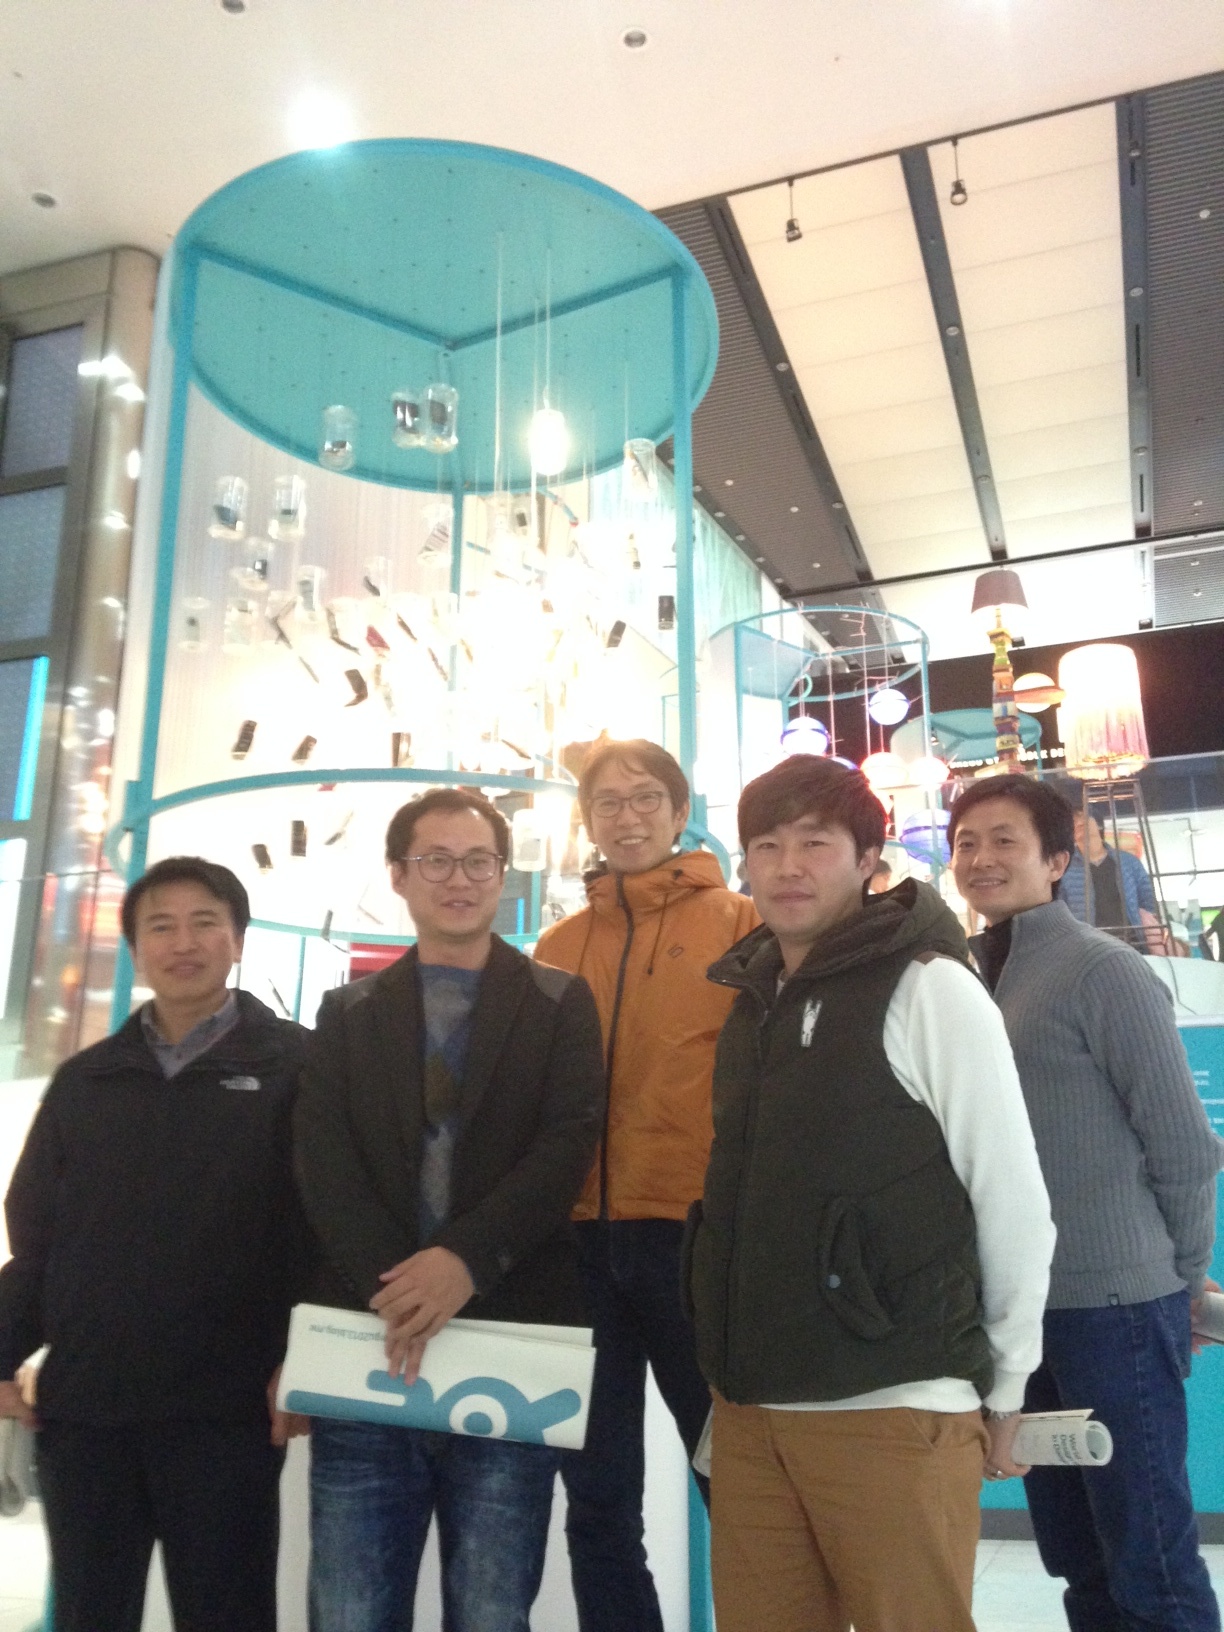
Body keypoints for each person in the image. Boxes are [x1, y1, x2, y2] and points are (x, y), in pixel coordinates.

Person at [685, 754, 1055, 1632]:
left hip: (893, 1406)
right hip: (751, 1411)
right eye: (766, 846)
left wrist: (1008, 1385)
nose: (787, 866)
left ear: (867, 860)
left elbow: (1010, 1196)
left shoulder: (928, 987)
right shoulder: (752, 1000)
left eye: (815, 843)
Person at [295, 787, 605, 1632]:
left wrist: (464, 1261)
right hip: (369, 1343)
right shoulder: (347, 1012)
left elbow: (566, 1148)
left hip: (511, 1342)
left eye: (478, 862)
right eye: (436, 860)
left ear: (503, 876)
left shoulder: (559, 1002)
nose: (459, 879)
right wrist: (397, 1290)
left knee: (493, 1609)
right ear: (399, 875)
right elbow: (324, 1162)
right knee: (350, 1609)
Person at [0, 857, 311, 1632]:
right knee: (89, 1614)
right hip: (87, 1410)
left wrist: (305, 1359)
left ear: (238, 939)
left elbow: (323, 1229)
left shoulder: (297, 1068)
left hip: (227, 1412)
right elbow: (37, 1234)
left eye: (205, 923)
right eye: (161, 926)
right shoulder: (87, 1079)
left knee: (227, 1614)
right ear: (136, 948)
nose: (184, 943)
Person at [949, 773, 1224, 1632]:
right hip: (1022, 1314)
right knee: (1075, 1556)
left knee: (1149, 1557)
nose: (981, 858)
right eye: (966, 843)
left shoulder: (1104, 969)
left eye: (1005, 840)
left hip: (1115, 1306)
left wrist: (1184, 1285)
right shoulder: (970, 978)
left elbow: (1184, 1146)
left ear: (1057, 860)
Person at [534, 737, 757, 1632]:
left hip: (693, 1240)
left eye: (644, 799)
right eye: (608, 803)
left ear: (678, 810)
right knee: (596, 1499)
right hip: (579, 1248)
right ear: (587, 819)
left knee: (736, 1485)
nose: (626, 818)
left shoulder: (740, 926)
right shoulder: (558, 944)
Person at [1060, 804, 1164, 949]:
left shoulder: (1128, 862)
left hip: (1134, 943)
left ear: (1099, 824)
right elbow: (1060, 909)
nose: (1079, 822)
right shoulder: (1065, 868)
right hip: (1089, 947)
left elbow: (1148, 899)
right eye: (1073, 821)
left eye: (1084, 817)